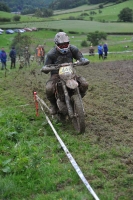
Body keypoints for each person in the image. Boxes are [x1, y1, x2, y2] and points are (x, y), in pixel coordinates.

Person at [41, 32, 89, 115]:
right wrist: (45, 68)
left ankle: (78, 99)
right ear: (57, 44)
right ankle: (54, 105)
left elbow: (81, 58)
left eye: (66, 44)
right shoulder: (51, 54)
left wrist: (83, 60)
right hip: (56, 74)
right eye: (61, 45)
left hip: (70, 73)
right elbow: (46, 66)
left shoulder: (73, 49)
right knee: (49, 88)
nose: (64, 46)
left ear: (68, 43)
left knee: (84, 84)